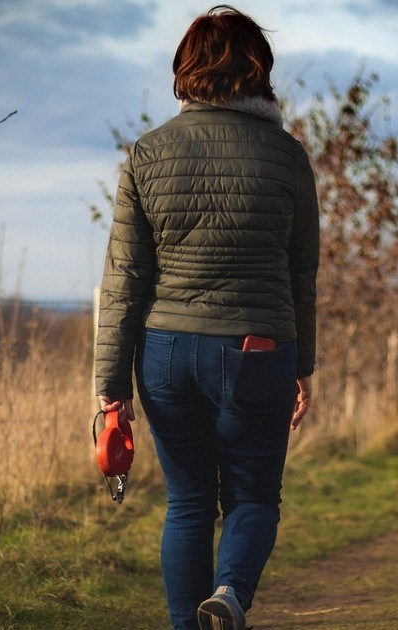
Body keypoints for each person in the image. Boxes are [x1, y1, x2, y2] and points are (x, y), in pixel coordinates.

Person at [93, 6, 319, 629]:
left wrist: (111, 388)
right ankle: (229, 595)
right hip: (258, 349)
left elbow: (124, 280)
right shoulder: (288, 157)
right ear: (258, 71)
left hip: (165, 353)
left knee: (187, 504)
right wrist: (306, 364)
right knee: (252, 498)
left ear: (186, 70)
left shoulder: (148, 153)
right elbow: (303, 273)